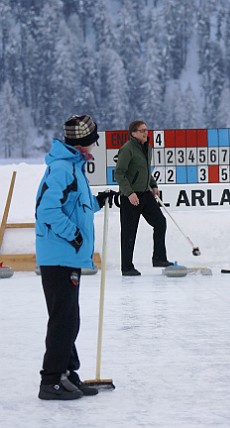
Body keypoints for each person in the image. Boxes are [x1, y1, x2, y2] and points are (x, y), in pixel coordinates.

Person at [35, 114, 116, 400]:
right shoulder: (62, 168)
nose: (95, 144)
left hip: (66, 256)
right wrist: (74, 235)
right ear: (84, 142)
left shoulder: (73, 166)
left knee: (69, 319)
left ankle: (67, 373)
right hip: (59, 256)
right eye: (93, 139)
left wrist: (97, 202)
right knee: (64, 320)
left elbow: (73, 206)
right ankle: (51, 380)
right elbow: (47, 210)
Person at [114, 119, 171, 276]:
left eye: (146, 130)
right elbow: (119, 173)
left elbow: (145, 170)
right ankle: (127, 267)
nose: (146, 133)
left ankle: (159, 258)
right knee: (129, 232)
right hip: (131, 197)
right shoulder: (127, 149)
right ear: (133, 133)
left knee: (160, 222)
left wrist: (153, 185)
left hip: (145, 194)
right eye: (142, 130)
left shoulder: (147, 147)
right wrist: (129, 193)